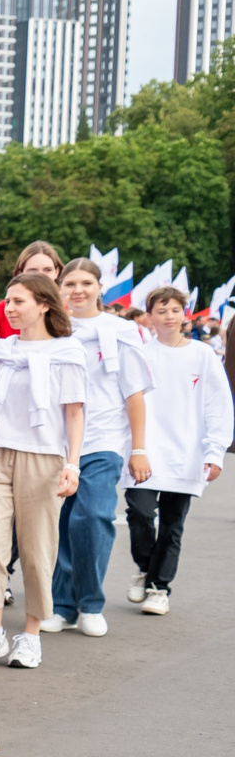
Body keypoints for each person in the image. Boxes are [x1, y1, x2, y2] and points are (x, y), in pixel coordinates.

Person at [0, 273, 87, 669]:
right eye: (8, 302)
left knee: (36, 551)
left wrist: (73, 464)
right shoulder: (0, 350)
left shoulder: (68, 352)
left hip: (44, 458)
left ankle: (30, 635)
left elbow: (74, 411)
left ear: (44, 305)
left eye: (19, 302)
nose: (10, 309)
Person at [50, 258, 153, 635]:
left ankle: (90, 602)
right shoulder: (52, 329)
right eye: (70, 283)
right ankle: (62, 606)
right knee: (61, 524)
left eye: (85, 283)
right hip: (55, 441)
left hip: (103, 440)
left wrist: (138, 448)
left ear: (100, 286)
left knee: (90, 517)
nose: (78, 290)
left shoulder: (121, 331)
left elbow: (134, 394)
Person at [123, 288, 231, 615]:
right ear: (149, 317)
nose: (169, 315)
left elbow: (218, 405)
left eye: (175, 309)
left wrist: (215, 452)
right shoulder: (141, 354)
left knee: (173, 523)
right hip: (145, 450)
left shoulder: (202, 355)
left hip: (187, 451)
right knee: (139, 513)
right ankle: (146, 567)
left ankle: (159, 587)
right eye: (161, 310)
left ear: (185, 314)